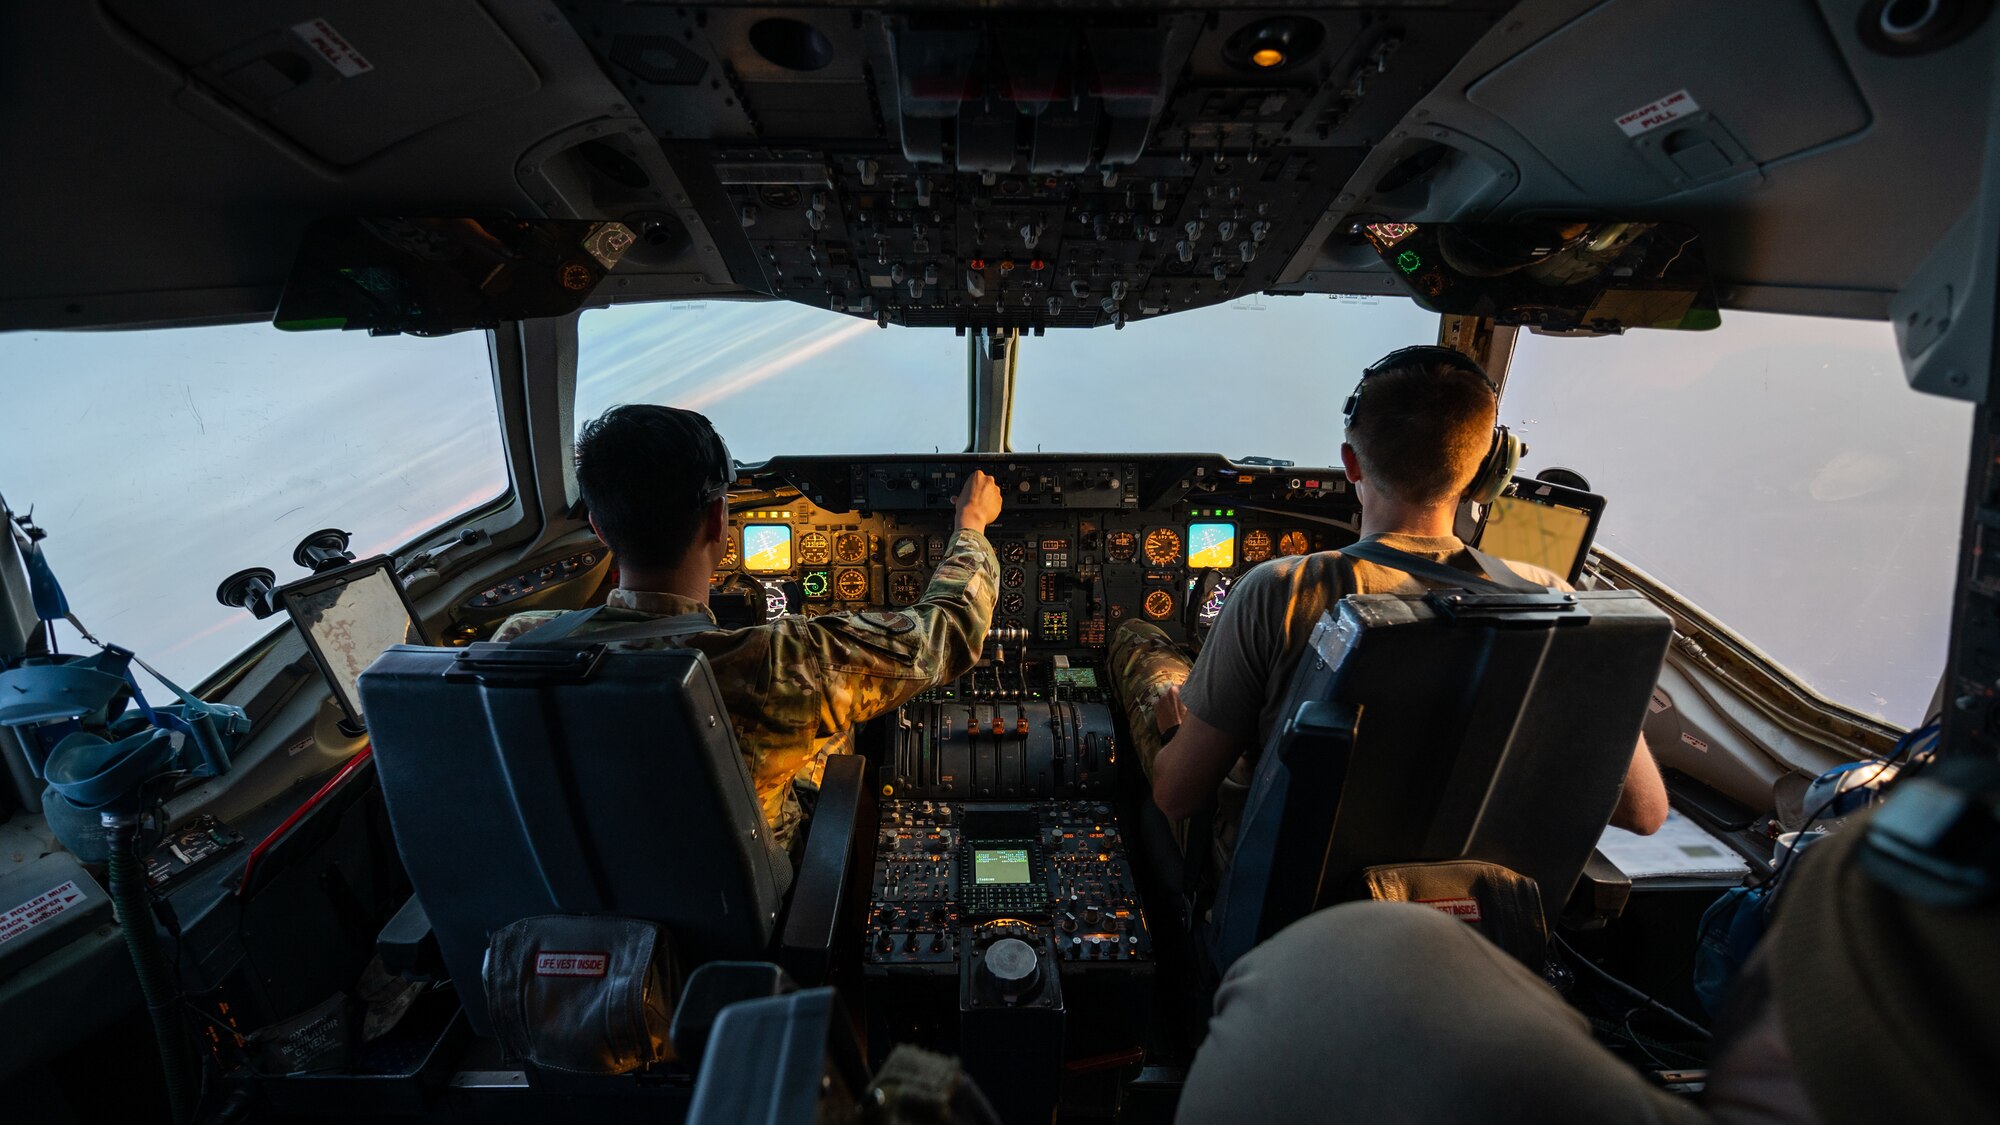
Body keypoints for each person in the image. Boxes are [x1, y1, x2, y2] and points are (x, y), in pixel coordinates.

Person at [1175, 760, 2000, 1124]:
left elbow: (1179, 787)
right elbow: (1645, 811)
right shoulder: (1578, 609)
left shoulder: (1353, 973)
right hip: (1524, 927)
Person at [1109, 345, 1668, 859]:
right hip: (1471, 919)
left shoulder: (1278, 590)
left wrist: (1177, 729)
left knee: (1145, 647)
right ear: (1486, 474)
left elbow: (1177, 797)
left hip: (1287, 916)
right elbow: (1643, 812)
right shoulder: (1549, 602)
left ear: (1351, 465)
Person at [492, 404, 1003, 848]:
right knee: (843, 731)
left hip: (592, 894)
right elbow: (946, 632)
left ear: (601, 529)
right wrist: (971, 527)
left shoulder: (520, 643)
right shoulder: (778, 663)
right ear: (720, 520)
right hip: (763, 901)